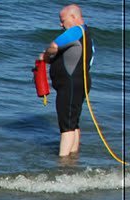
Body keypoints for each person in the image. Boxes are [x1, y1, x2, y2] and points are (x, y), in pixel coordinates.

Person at [41, 5, 89, 158]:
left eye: (63, 21)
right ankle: (73, 160)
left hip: (70, 86)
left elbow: (54, 47)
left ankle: (62, 165)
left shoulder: (75, 31)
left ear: (74, 17)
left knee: (66, 127)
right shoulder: (86, 33)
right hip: (80, 84)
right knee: (73, 123)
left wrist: (45, 56)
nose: (61, 24)